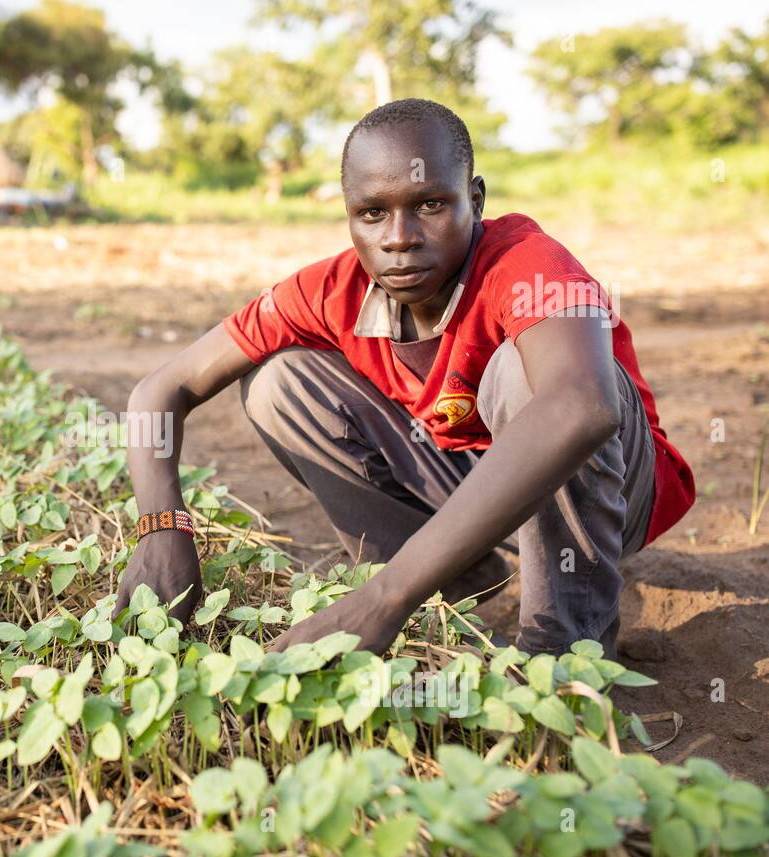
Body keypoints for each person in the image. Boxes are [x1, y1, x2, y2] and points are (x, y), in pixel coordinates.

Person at [113, 98, 694, 659]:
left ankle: (564, 652)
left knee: (524, 378)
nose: (399, 237)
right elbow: (160, 390)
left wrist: (382, 599)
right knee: (280, 383)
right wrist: (162, 528)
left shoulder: (528, 264)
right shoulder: (332, 289)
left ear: (476, 199)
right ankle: (455, 591)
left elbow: (581, 408)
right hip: (469, 485)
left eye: (430, 205)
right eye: (372, 213)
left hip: (611, 494)